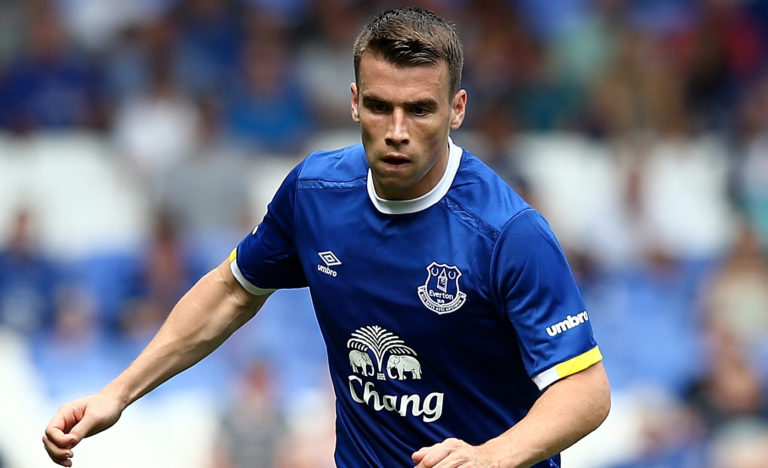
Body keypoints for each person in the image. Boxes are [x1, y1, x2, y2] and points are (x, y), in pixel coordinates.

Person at [43, 7, 610, 468]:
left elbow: (586, 392)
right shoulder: (315, 193)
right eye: (381, 107)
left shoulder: (508, 233)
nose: (397, 132)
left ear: (456, 110)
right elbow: (233, 291)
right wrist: (117, 393)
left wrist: (491, 457)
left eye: (419, 110)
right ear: (355, 101)